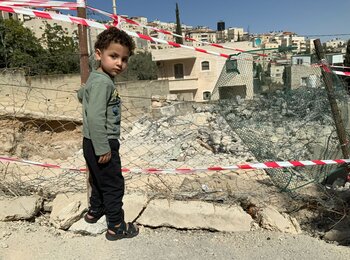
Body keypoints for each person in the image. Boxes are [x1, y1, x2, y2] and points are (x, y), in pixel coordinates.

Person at [77, 27, 138, 241]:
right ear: (98, 54)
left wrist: (83, 91)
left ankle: (95, 211)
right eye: (114, 56)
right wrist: (103, 147)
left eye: (124, 58)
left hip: (89, 141)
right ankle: (116, 226)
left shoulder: (95, 78)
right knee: (113, 184)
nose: (120, 63)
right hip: (102, 142)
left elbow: (82, 96)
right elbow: (95, 118)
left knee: (97, 179)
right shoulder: (103, 83)